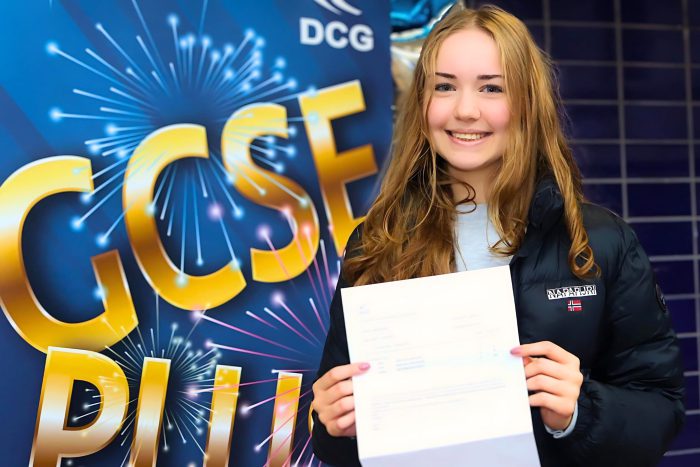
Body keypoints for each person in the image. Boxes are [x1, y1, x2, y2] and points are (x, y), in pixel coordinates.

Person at [311, 4, 685, 466]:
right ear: (422, 103)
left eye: (492, 88)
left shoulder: (598, 241)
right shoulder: (377, 240)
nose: (466, 110)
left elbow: (660, 411)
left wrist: (578, 411)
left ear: (527, 103)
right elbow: (338, 437)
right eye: (444, 87)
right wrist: (331, 425)